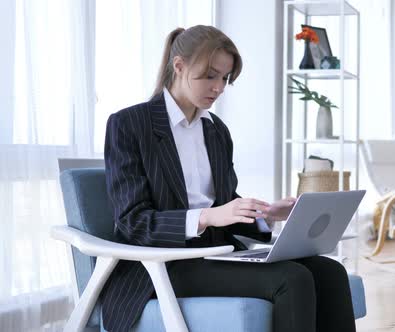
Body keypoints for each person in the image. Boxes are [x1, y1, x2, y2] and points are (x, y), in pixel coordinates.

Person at [101, 25, 356, 332]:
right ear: (179, 66)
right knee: (293, 278)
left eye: (225, 78)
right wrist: (208, 216)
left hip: (217, 255)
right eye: (210, 76)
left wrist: (264, 215)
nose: (219, 87)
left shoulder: (215, 131)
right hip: (162, 264)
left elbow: (225, 206)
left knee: (330, 272)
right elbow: (133, 221)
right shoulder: (129, 125)